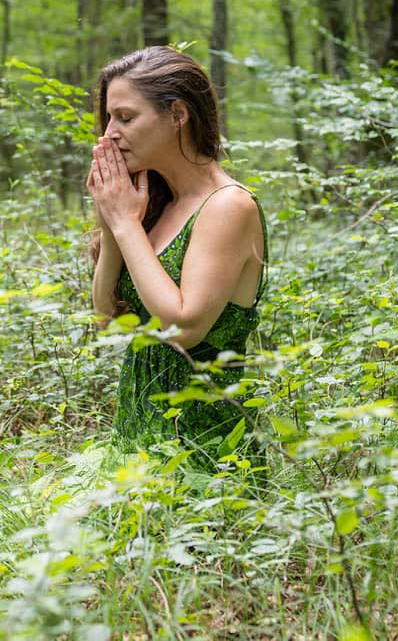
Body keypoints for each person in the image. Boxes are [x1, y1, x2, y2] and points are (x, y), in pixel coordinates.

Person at [86, 46, 268, 464]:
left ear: (177, 115)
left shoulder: (227, 205)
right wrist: (115, 221)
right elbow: (108, 319)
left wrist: (127, 225)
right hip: (138, 438)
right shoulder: (157, 202)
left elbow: (183, 328)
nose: (110, 132)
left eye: (126, 118)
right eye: (110, 117)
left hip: (206, 454)